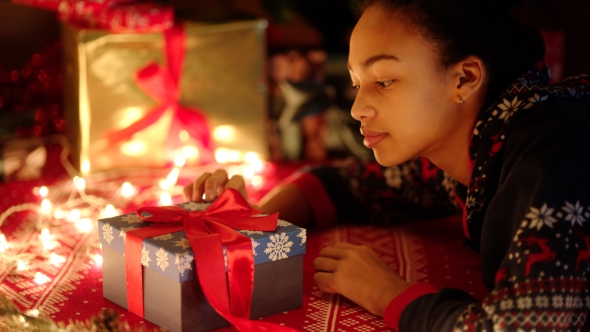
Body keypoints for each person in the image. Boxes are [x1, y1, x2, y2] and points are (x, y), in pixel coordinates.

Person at [183, 0, 590, 330]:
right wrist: (250, 219)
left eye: (385, 80)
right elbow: (348, 184)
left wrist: (388, 293)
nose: (358, 108)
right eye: (357, 83)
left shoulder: (550, 157)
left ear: (464, 78)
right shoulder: (478, 148)